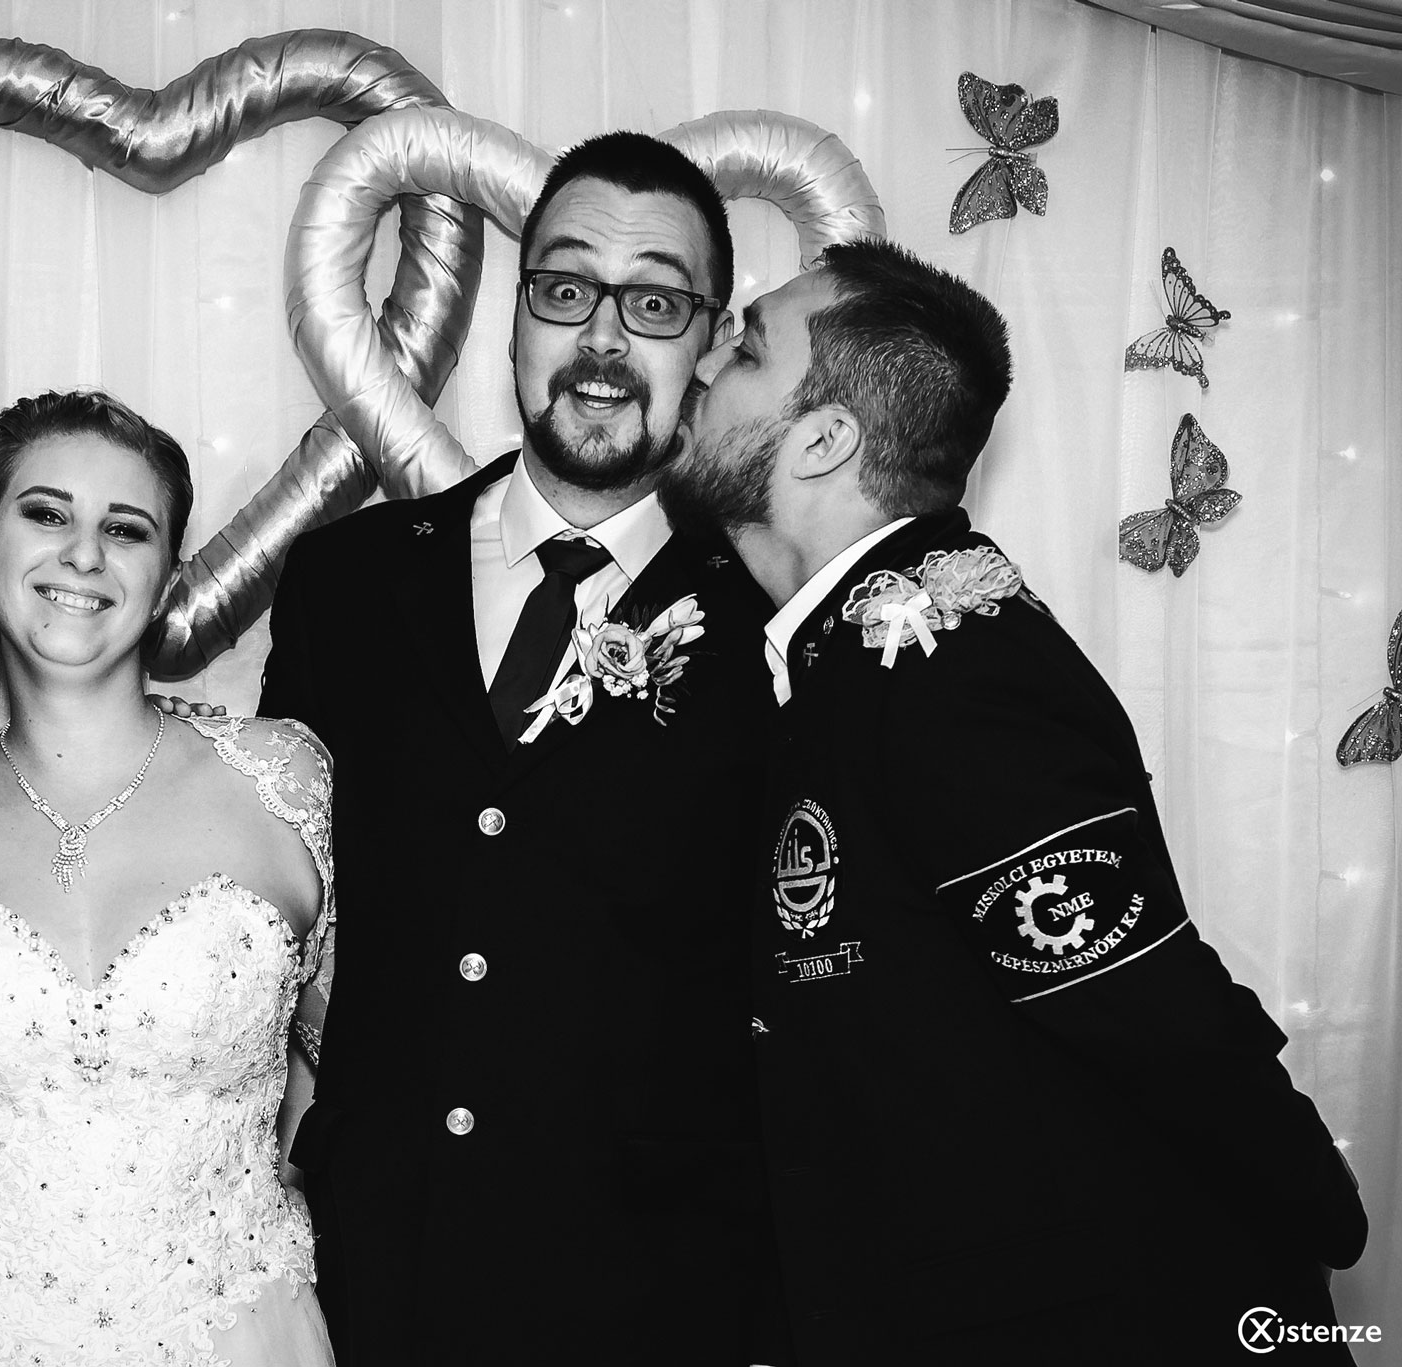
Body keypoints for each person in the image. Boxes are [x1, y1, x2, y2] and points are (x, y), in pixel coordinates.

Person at [659, 238, 1367, 1364]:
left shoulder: (957, 671)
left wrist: (1320, 1212)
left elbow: (1143, 1008)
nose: (700, 364)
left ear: (825, 438)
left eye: (743, 352)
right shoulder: (837, 658)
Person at [260, 132, 783, 1365]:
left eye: (654, 303)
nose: (601, 339)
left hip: (652, 1298)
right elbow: (275, 916)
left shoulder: (774, 618)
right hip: (363, 1276)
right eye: (564, 288)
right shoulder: (344, 581)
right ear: (514, 313)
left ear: (710, 342)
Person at [0, 390, 336, 1367]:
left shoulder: (283, 779)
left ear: (165, 581)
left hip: (231, 1330)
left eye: (125, 528)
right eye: (46, 512)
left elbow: (359, 1078)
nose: (83, 554)